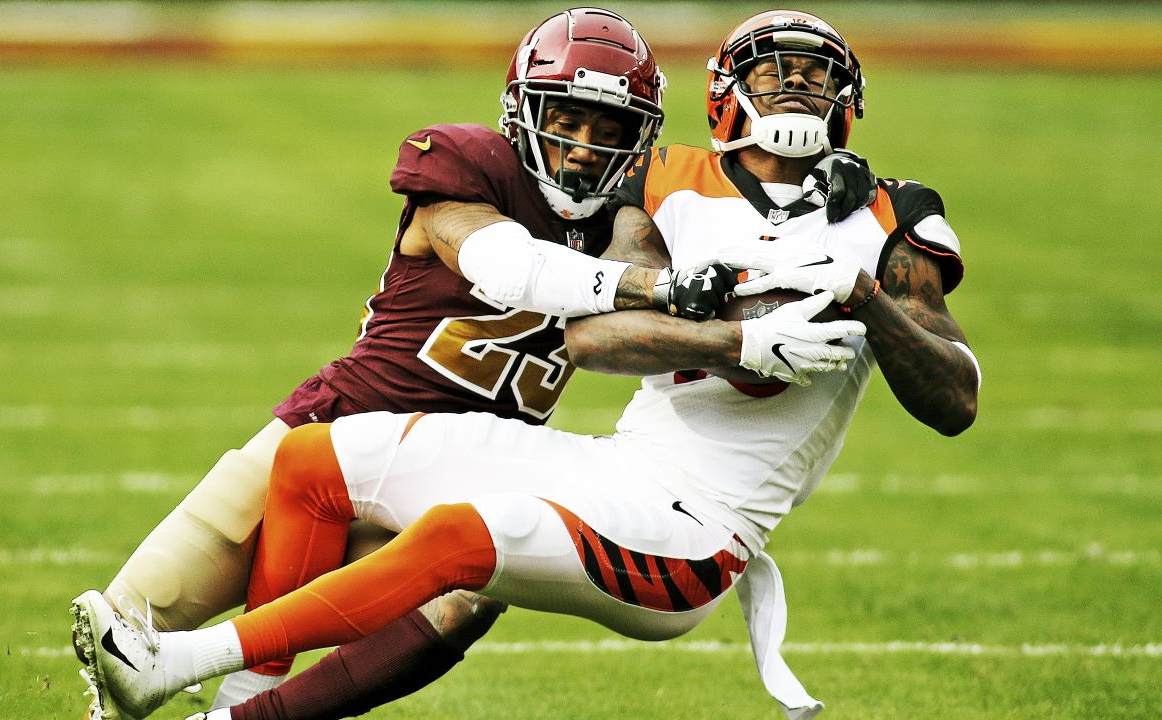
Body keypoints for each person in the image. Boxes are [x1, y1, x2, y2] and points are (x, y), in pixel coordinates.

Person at [72, 8, 883, 720]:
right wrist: (656, 285)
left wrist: (816, 187)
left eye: (609, 130)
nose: (582, 146)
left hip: (464, 462)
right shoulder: (469, 167)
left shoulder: (634, 208)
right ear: (522, 110)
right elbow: (513, 268)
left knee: (467, 597)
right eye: (565, 118)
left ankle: (234, 716)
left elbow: (734, 198)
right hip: (338, 432)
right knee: (129, 631)